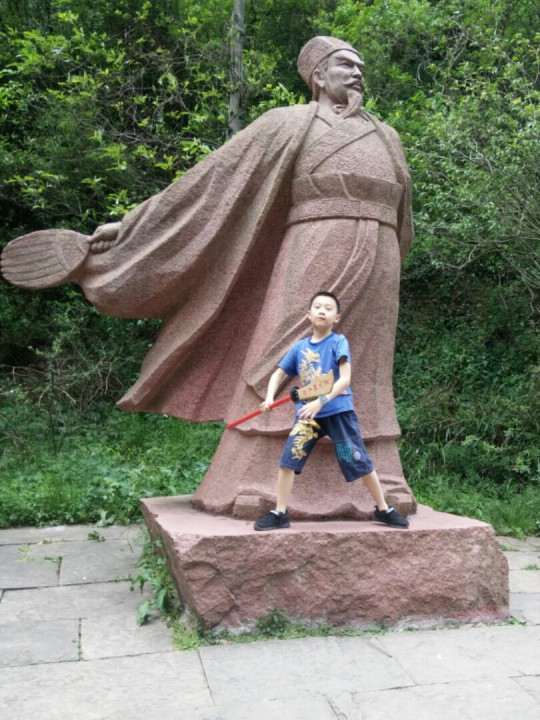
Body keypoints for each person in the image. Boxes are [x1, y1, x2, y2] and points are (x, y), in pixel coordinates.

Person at [1, 36, 416, 520]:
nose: (358, 72)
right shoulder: (286, 124)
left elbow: (404, 211)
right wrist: (133, 227)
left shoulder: (385, 135)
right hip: (313, 243)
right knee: (288, 357)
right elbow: (210, 183)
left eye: (360, 65)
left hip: (380, 255)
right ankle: (258, 477)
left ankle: (376, 478)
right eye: (345, 64)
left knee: (365, 367)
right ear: (318, 76)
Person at [254, 291, 409, 530]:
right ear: (308, 314)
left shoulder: (338, 342)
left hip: (338, 414)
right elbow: (278, 374)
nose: (322, 311)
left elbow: (345, 379)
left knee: (357, 458)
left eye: (328, 308)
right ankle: (280, 513)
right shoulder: (299, 348)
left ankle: (383, 509)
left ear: (336, 318)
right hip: (308, 417)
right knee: (288, 460)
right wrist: (269, 398)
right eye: (317, 307)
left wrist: (321, 401)